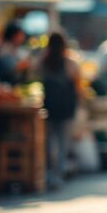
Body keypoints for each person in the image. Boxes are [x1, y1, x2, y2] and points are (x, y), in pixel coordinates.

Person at [37, 32, 80, 190]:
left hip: (49, 107)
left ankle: (49, 174)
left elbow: (33, 76)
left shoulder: (43, 62)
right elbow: (77, 85)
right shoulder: (70, 62)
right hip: (65, 107)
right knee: (63, 142)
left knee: (48, 142)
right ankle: (59, 173)